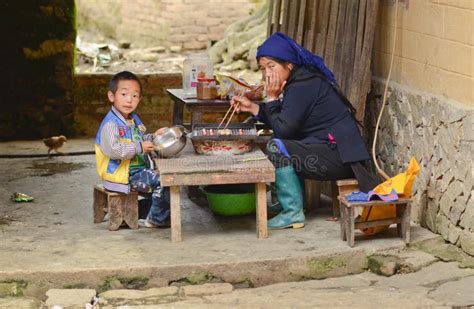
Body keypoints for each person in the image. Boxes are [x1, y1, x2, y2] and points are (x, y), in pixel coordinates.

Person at [231, 32, 379, 230]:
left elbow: (284, 131)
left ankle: (292, 213)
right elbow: (286, 119)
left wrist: (272, 99)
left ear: (289, 64)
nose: (267, 74)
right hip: (329, 150)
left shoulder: (303, 85)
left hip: (341, 158)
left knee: (277, 146)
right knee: (281, 143)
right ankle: (292, 204)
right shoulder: (299, 81)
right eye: (262, 68)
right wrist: (253, 108)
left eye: (272, 66)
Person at [95, 71, 170, 228]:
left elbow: (139, 140)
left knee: (167, 182)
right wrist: (139, 147)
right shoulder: (111, 124)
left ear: (139, 99)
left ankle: (145, 212)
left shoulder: (132, 119)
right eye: (123, 94)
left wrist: (152, 137)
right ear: (111, 96)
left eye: (135, 96)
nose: (129, 100)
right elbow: (114, 150)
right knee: (163, 181)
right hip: (122, 174)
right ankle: (155, 219)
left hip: (136, 171)